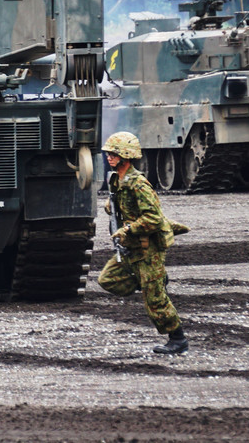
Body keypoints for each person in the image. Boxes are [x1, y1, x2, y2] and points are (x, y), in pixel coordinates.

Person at [98, 131, 188, 355]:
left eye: (114, 153)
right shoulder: (115, 180)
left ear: (126, 156)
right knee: (107, 279)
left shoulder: (139, 184)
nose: (109, 157)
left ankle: (178, 339)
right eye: (109, 153)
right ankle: (151, 281)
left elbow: (154, 219)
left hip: (148, 249)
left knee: (155, 300)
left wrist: (128, 228)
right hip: (130, 249)